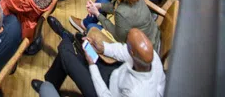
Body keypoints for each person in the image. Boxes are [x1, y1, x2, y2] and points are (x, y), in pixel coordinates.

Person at [34, 23, 165, 97]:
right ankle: (71, 40)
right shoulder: (152, 57)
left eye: (128, 43)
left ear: (133, 52)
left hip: (103, 92)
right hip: (115, 74)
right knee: (86, 47)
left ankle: (49, 83)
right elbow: (122, 50)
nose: (125, 45)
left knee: (65, 53)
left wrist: (92, 66)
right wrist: (102, 48)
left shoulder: (136, 92)